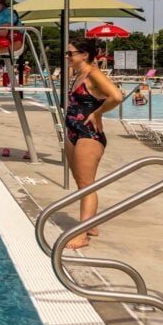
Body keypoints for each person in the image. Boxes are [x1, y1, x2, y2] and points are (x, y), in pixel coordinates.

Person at [63, 37, 123, 249]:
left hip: (89, 133)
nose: (67, 57)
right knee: (80, 183)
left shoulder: (93, 74)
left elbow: (116, 96)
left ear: (84, 55)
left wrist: (98, 114)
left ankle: (82, 235)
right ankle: (91, 223)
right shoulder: (78, 74)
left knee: (87, 185)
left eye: (70, 53)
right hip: (73, 131)